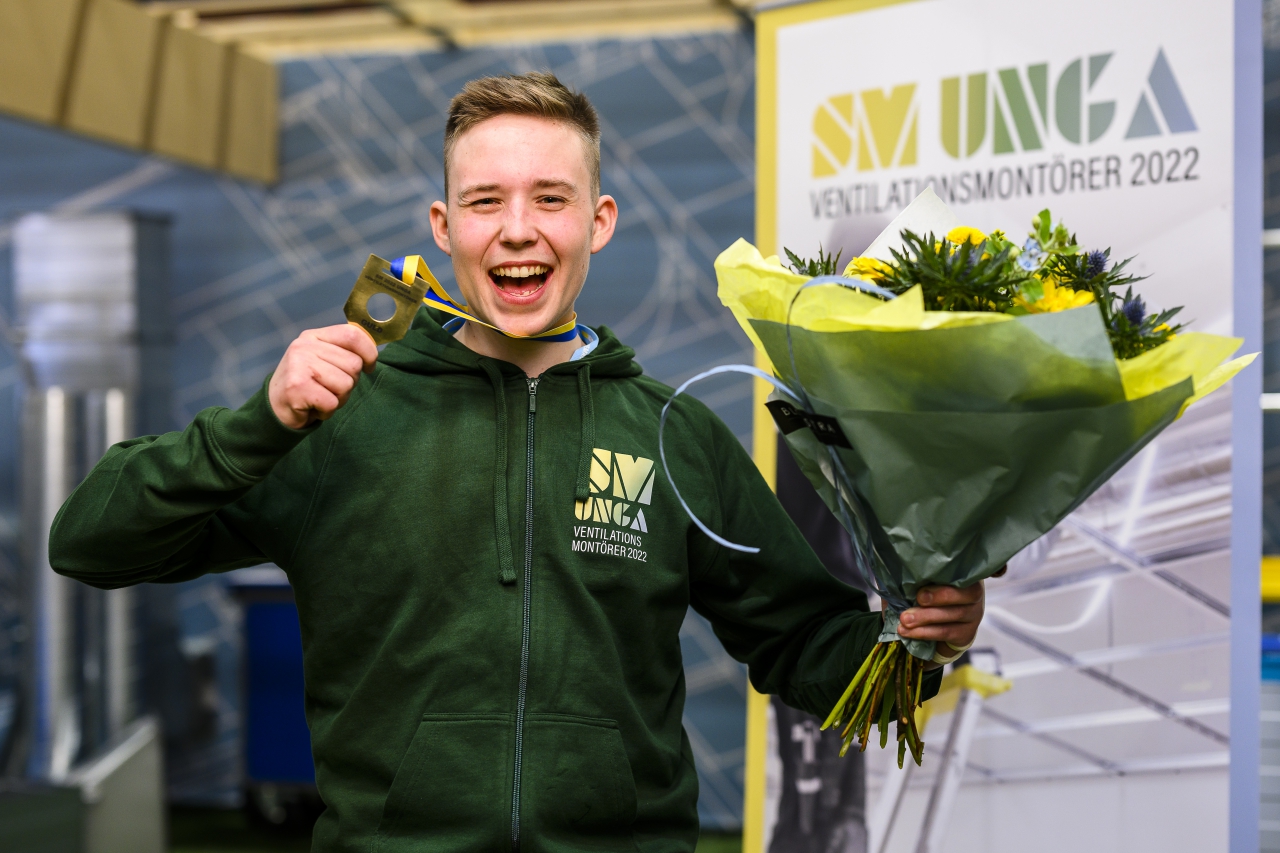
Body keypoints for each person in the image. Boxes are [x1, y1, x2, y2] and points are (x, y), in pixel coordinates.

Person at [49, 73, 987, 853]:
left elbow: (807, 647)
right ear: (444, 223)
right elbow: (89, 541)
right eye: (485, 201)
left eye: (551, 198)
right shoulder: (333, 420)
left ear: (600, 219)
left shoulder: (674, 435)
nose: (518, 228)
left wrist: (921, 641)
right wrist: (261, 421)